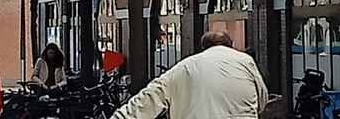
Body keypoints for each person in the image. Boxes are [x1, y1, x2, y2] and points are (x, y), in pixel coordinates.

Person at [109, 32, 268, 119]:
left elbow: (148, 99)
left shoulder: (186, 67)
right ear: (230, 45)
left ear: (204, 47)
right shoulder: (245, 62)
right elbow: (262, 100)